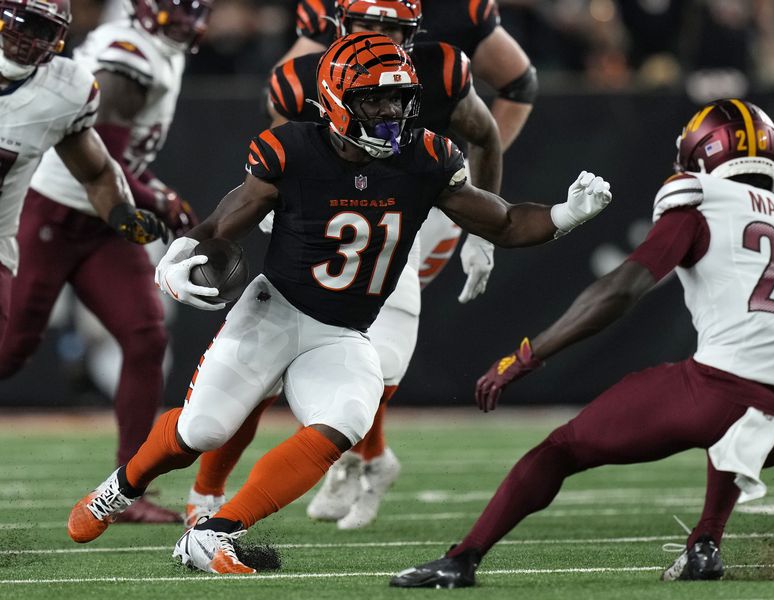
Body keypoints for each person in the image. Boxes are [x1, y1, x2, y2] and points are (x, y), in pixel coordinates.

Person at [67, 33, 612, 575]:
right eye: (374, 99)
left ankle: (213, 535)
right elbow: (220, 226)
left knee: (348, 417)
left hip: (342, 330)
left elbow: (506, 221)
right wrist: (182, 257)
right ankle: (117, 489)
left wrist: (565, 215)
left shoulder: (425, 157)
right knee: (202, 431)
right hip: (273, 312)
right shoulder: (294, 149)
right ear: (335, 99)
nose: (389, 112)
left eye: (398, 98)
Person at [390, 99, 774, 588]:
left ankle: (462, 559)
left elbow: (621, 290)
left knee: (559, 450)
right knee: (735, 418)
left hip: (714, 396)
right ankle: (704, 546)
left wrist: (529, 355)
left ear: (703, 153)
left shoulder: (701, 199)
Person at [181, 0, 504, 531]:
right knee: (255, 375)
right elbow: (274, 160)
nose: (378, 35)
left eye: (392, 29)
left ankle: (361, 456)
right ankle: (207, 493)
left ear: (414, 33)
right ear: (336, 27)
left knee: (375, 370)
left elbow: (490, 130)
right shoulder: (296, 78)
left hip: (401, 223)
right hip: (315, 232)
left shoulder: (443, 68)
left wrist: (481, 231)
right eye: (366, 25)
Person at [0, 0, 211, 524]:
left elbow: (102, 168)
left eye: (195, 10)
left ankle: (126, 489)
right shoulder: (125, 61)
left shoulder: (69, 83)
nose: (187, 19)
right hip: (48, 212)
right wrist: (158, 197)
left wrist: (135, 206)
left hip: (101, 216)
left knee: (146, 336)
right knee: (9, 349)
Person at [0, 0, 165, 331]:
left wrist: (121, 213)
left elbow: (97, 171)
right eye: (22, 23)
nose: (28, 38)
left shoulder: (63, 93)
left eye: (42, 29)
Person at [293, 0, 535, 150]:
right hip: (343, 167)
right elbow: (286, 92)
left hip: (428, 173)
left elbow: (519, 84)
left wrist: (474, 168)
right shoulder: (327, 10)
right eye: (367, 26)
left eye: (389, 28)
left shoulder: (459, 11)